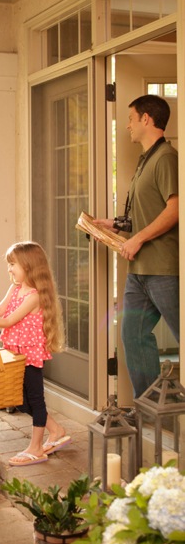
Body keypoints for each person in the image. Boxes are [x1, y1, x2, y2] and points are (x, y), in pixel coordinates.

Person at [95, 95, 179, 402]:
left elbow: (175, 209)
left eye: (131, 118)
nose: (127, 124)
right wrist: (117, 225)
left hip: (163, 269)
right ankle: (151, 410)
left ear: (146, 119)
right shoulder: (146, 159)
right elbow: (149, 211)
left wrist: (139, 239)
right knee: (132, 337)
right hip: (139, 272)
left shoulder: (167, 157)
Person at [0, 241, 70, 466]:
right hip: (14, 354)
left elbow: (8, 321)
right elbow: (0, 310)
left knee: (35, 399)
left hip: (30, 354)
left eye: (13, 264)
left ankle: (36, 447)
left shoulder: (34, 296)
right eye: (9, 264)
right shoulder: (15, 288)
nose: (9, 269)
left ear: (29, 266)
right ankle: (56, 429)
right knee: (19, 400)